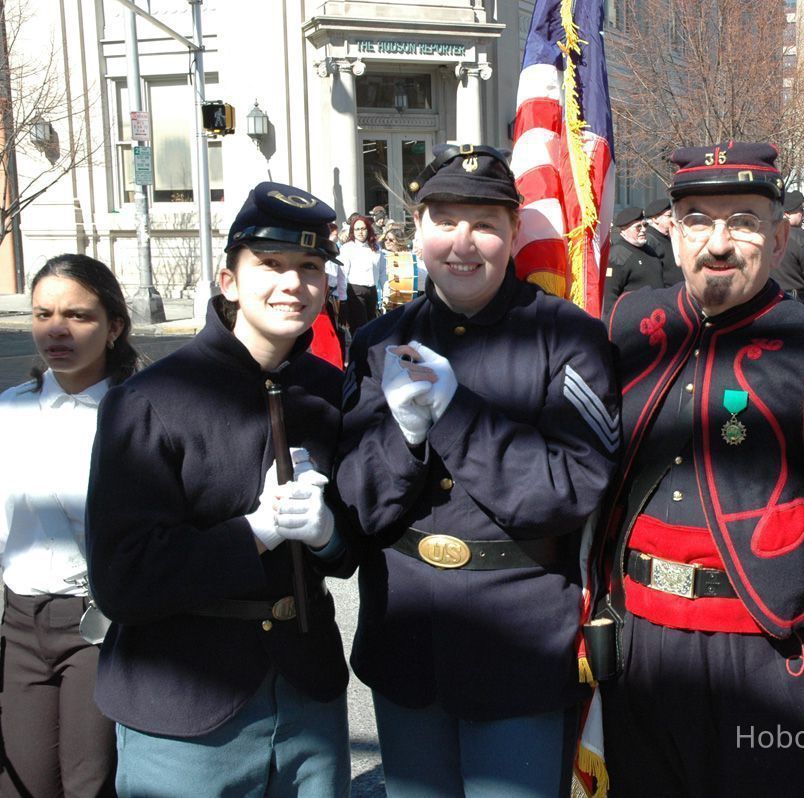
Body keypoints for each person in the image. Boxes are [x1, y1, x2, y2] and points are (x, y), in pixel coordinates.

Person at [597, 141, 804, 797]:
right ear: (674, 232)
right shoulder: (629, 324)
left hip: (760, 656)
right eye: (698, 220)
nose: (718, 243)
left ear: (779, 237)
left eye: (744, 222)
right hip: (638, 646)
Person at [336, 144, 618, 797]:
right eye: (444, 221)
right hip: (406, 638)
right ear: (418, 228)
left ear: (515, 232)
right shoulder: (378, 342)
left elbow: (571, 490)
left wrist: (455, 415)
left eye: (485, 224)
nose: (463, 243)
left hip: (519, 644)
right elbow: (357, 502)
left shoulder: (568, 338)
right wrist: (405, 438)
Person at [85, 182, 353, 797]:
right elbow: (122, 577)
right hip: (187, 702)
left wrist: (330, 537)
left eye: (310, 267)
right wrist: (252, 535)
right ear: (229, 281)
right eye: (271, 264)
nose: (293, 284)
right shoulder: (151, 400)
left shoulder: (331, 391)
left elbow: (352, 547)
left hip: (307, 694)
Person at [0, 255, 136, 798]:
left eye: (77, 315)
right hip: (18, 624)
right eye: (43, 314)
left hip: (98, 624)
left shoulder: (138, 412)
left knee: (90, 781)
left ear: (114, 326)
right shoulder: (10, 410)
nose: (57, 329)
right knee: (21, 781)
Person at [603, 206, 668, 319]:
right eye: (638, 227)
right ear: (623, 229)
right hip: (633, 320)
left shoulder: (650, 250)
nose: (643, 230)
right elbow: (610, 297)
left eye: (645, 225)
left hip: (657, 317)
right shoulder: (618, 255)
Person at [772, 189, 804, 309]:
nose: (803, 213)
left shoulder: (766, 234)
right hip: (795, 304)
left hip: (769, 302)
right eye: (800, 210)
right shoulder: (800, 238)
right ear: (786, 214)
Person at [341, 212, 387, 332]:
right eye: (357, 229)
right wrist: (342, 298)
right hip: (355, 291)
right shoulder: (347, 248)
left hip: (372, 290)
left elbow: (382, 272)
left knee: (371, 325)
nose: (360, 232)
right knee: (360, 327)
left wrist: (386, 292)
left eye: (363, 229)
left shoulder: (376, 248)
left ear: (368, 229)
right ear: (352, 231)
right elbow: (343, 274)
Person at [642, 197, 683, 284]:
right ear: (655, 219)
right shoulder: (650, 240)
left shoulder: (669, 236)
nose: (673, 219)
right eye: (669, 216)